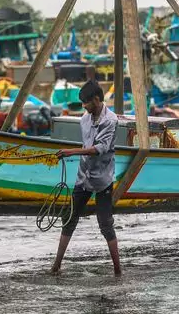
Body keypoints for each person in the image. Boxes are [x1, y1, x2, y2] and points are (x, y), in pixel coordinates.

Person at [52, 80, 121, 275]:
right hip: (83, 177)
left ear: (96, 100)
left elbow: (99, 149)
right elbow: (87, 146)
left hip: (103, 179)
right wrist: (73, 153)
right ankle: (56, 265)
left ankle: (118, 270)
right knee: (69, 218)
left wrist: (71, 152)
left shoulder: (111, 120)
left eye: (86, 103)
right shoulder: (84, 119)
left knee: (105, 224)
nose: (83, 106)